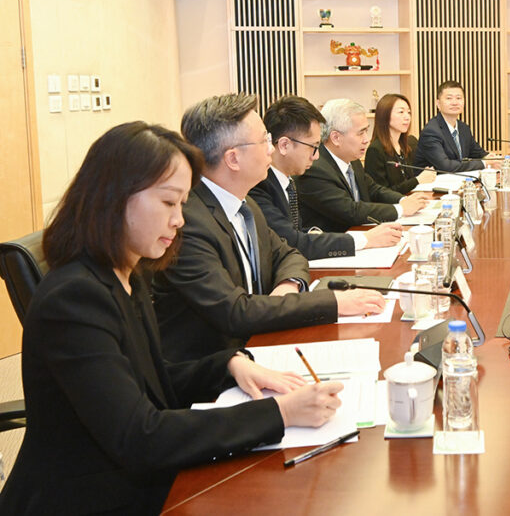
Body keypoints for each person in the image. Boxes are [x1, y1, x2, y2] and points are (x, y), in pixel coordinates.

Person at [0, 122, 344, 514]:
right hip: (84, 498)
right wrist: (279, 413)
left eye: (182, 204)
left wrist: (227, 365)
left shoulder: (126, 275)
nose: (180, 220)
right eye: (168, 203)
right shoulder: (75, 298)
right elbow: (140, 435)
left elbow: (150, 380)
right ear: (115, 198)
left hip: (132, 480)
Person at [151, 94, 386, 362]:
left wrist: (288, 286)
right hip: (214, 368)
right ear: (233, 159)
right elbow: (236, 312)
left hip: (261, 345)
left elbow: (289, 253)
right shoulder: (188, 223)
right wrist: (335, 302)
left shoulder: (245, 203)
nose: (271, 150)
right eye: (264, 140)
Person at [249, 95, 403, 259]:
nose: (316, 156)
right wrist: (365, 239)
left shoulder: (287, 182)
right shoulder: (258, 186)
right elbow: (291, 242)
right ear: (284, 145)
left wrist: (314, 234)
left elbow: (297, 233)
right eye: (313, 147)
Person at [296, 98, 430, 231]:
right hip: (339, 240)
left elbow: (373, 189)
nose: (366, 139)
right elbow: (351, 211)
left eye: (366, 131)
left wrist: (402, 200)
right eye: (360, 133)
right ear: (336, 138)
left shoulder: (351, 158)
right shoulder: (314, 168)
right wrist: (400, 209)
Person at [364, 93, 436, 194]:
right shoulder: (375, 150)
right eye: (401, 112)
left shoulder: (410, 143)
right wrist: (418, 180)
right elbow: (380, 194)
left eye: (409, 112)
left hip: (415, 198)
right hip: (395, 203)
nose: (407, 117)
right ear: (385, 115)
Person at [414, 80, 488, 172]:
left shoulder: (463, 128)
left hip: (458, 178)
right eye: (449, 98)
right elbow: (446, 166)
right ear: (438, 104)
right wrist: (484, 163)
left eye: (458, 98)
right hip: (435, 179)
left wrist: (489, 157)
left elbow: (477, 153)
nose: (454, 102)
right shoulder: (431, 131)